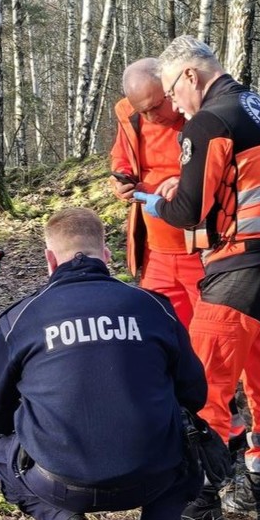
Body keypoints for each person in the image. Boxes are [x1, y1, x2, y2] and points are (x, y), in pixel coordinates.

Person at [0, 208, 207, 520]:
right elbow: (195, 394)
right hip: (154, 475)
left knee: (1, 452)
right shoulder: (153, 306)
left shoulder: (21, 318)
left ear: (49, 259)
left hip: (58, 481)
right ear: (107, 254)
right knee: (191, 435)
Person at [132, 36, 260, 520]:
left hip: (238, 270)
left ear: (189, 75)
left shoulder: (209, 121)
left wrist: (155, 201)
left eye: (171, 91)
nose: (176, 108)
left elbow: (190, 211)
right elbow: (244, 186)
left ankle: (199, 499)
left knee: (207, 386)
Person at [109, 58, 205, 328]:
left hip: (200, 249)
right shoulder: (128, 115)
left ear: (170, 87)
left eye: (155, 106)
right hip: (153, 251)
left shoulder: (203, 114)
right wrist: (120, 182)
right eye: (144, 111)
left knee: (212, 335)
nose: (152, 117)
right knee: (161, 330)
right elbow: (120, 158)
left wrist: (187, 181)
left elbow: (224, 166)